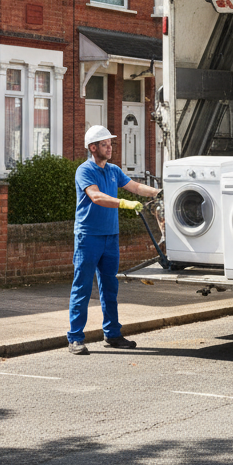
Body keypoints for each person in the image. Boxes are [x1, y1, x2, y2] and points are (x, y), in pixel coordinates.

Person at [67, 124, 160, 355]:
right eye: (105, 144)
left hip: (110, 237)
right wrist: (123, 203)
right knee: (82, 288)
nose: (110, 148)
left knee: (110, 288)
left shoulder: (113, 170)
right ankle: (75, 338)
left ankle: (112, 334)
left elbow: (135, 186)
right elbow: (96, 196)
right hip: (88, 237)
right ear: (93, 147)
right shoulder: (84, 170)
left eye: (110, 144)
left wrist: (159, 192)